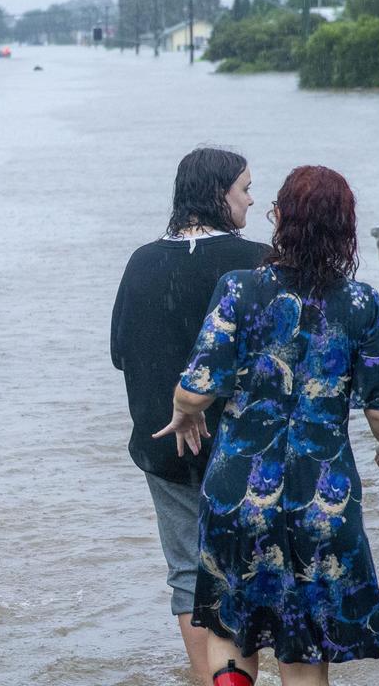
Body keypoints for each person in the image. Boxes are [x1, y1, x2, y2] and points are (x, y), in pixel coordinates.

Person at [155, 165, 379, 686]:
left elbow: (195, 388)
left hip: (235, 495)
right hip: (322, 498)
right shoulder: (361, 303)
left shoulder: (239, 289)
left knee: (231, 631)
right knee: (302, 650)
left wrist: (185, 412)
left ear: (281, 219)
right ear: (345, 227)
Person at [110, 147, 268, 684]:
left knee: (187, 570)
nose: (251, 198)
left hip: (163, 445)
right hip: (249, 452)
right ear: (220, 193)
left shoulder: (141, 262)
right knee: (251, 568)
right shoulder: (260, 262)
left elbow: (119, 353)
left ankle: (207, 680)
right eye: (245, 188)